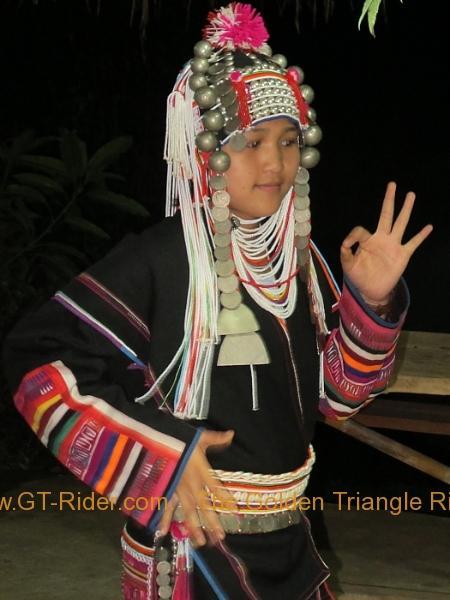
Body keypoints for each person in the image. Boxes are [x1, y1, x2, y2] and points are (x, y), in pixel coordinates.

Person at [3, 3, 432, 599]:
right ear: (204, 151)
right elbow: (36, 363)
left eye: (289, 141)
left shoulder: (296, 259)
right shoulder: (162, 259)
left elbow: (335, 400)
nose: (276, 162)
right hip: (193, 550)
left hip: (290, 540)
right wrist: (158, 458)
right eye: (252, 142)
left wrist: (371, 305)